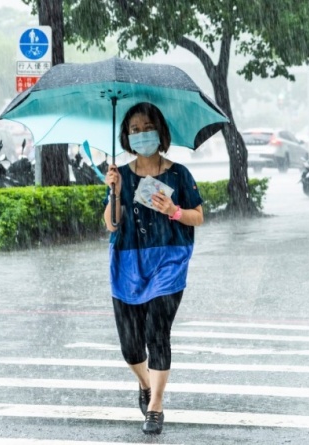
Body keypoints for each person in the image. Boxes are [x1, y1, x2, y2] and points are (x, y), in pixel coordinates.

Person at [103, 102, 204, 435]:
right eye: (134, 130)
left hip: (169, 262)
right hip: (128, 262)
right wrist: (114, 191)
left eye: (147, 127)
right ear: (126, 136)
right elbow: (111, 225)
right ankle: (146, 384)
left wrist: (174, 210)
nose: (141, 134)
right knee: (131, 346)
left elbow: (198, 217)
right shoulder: (121, 175)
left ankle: (156, 406)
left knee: (156, 335)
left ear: (160, 131)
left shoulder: (179, 174)